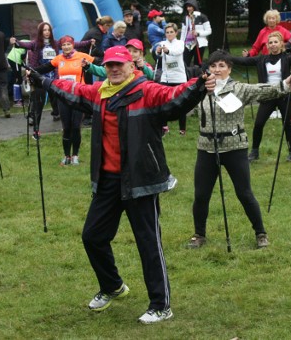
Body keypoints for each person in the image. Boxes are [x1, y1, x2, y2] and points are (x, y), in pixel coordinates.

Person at [26, 45, 213, 324]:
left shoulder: (147, 91)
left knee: (148, 243)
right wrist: (42, 81)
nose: (114, 69)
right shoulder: (99, 93)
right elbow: (71, 90)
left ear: (131, 67)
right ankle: (113, 286)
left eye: (119, 65)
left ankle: (161, 305)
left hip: (141, 181)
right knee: (92, 236)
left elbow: (174, 97)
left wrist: (199, 85)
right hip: (108, 181)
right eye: (110, 65)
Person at [189, 50, 291, 249]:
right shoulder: (201, 89)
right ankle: (199, 234)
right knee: (201, 195)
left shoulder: (238, 88)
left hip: (234, 147)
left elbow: (261, 90)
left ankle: (261, 233)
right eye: (213, 66)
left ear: (229, 69)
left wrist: (284, 84)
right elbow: (185, 107)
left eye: (222, 66)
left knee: (244, 193)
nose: (217, 69)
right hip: (206, 148)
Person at [233, 31, 291, 162]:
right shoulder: (262, 59)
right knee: (258, 123)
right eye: (271, 42)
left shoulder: (288, 58)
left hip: (284, 94)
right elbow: (243, 61)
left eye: (276, 42)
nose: (273, 45)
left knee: (287, 124)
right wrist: (225, 57)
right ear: (267, 45)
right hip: (267, 95)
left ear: (281, 44)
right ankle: (254, 152)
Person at [10, 22, 92, 125]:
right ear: (40, 31)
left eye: (48, 30)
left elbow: (75, 44)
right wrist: (16, 42)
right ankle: (33, 117)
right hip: (40, 74)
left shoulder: (56, 43)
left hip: (53, 74)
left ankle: (56, 113)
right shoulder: (35, 43)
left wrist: (88, 42)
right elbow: (24, 44)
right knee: (38, 98)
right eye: (44, 30)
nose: (47, 32)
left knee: (55, 96)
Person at [33, 36, 95, 165]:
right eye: (64, 45)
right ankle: (67, 156)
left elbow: (98, 64)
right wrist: (30, 71)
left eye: (69, 44)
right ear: (61, 47)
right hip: (62, 96)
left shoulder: (82, 56)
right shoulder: (58, 59)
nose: (66, 47)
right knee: (66, 127)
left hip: (78, 96)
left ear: (73, 45)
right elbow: (44, 68)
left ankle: (75, 156)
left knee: (76, 127)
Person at [157, 24, 187, 135]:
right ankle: (164, 126)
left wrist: (167, 50)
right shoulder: (162, 43)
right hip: (166, 77)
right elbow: (158, 56)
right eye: (167, 32)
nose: (169, 34)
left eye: (171, 32)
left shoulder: (180, 43)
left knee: (181, 103)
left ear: (176, 33)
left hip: (179, 76)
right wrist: (159, 51)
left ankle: (182, 128)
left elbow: (177, 52)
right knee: (163, 101)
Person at [83, 40, 155, 81]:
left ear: (140, 53)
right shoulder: (120, 64)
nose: (131, 54)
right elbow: (103, 71)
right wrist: (89, 66)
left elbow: (152, 76)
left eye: (135, 51)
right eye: (129, 51)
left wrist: (143, 67)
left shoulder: (145, 65)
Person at [180, 0, 212, 67]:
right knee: (185, 61)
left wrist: (198, 33)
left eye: (190, 6)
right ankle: (186, 76)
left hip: (199, 43)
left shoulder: (202, 17)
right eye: (187, 7)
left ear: (194, 6)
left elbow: (209, 31)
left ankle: (197, 77)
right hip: (189, 42)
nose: (188, 8)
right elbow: (183, 32)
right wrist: (181, 43)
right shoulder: (185, 18)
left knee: (197, 63)